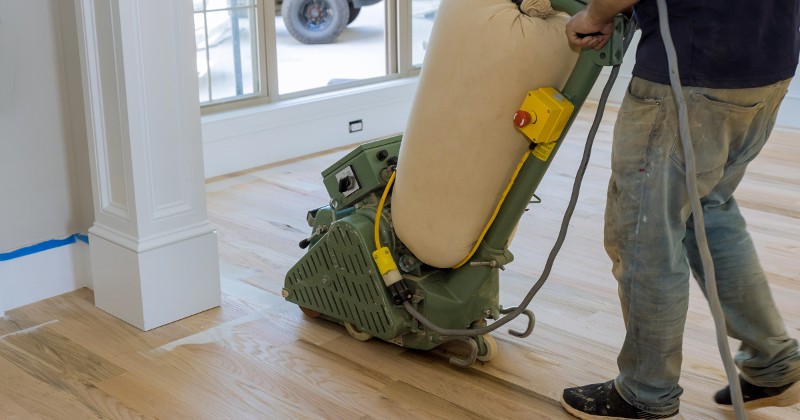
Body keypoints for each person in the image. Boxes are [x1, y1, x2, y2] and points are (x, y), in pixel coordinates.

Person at [561, 0, 800, 418]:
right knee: (709, 212)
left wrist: (595, 16)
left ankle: (645, 392)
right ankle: (775, 363)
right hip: (768, 63)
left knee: (644, 234)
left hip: (689, 74)